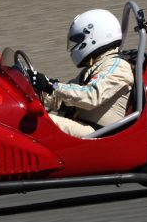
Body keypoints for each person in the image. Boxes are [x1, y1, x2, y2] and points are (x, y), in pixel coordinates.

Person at [31, 9, 134, 138]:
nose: (75, 46)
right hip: (83, 125)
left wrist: (52, 85)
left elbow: (91, 96)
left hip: (99, 134)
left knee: (36, 122)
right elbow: (63, 99)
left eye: (78, 40)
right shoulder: (96, 66)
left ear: (95, 36)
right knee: (27, 113)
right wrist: (35, 90)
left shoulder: (118, 67)